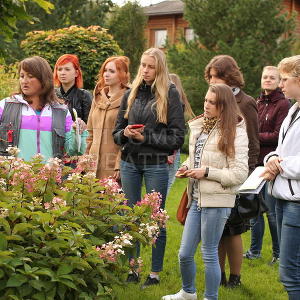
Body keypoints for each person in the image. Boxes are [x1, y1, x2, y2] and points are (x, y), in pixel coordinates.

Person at [162, 83, 249, 300]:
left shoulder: (236, 130)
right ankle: (188, 293)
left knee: (209, 253)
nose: (206, 105)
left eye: (212, 102)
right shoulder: (202, 126)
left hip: (218, 201)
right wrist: (187, 166)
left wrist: (207, 172)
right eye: (205, 100)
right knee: (184, 253)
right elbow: (198, 157)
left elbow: (239, 174)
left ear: (224, 105)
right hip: (197, 199)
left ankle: (211, 297)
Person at [113, 48, 185, 288]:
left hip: (155, 164)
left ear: (160, 68)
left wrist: (147, 137)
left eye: (150, 66)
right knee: (131, 218)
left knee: (155, 219)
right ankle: (133, 269)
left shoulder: (170, 94)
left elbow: (177, 139)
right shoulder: (131, 92)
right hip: (129, 162)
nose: (145, 70)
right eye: (143, 65)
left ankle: (154, 274)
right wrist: (125, 133)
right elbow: (116, 132)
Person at [204, 55, 260, 287]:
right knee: (218, 231)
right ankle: (220, 276)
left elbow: (254, 143)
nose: (211, 81)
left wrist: (246, 179)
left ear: (229, 76)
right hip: (216, 174)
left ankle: (235, 277)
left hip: (237, 176)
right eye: (209, 77)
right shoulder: (215, 99)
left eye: (216, 77)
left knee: (233, 230)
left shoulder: (245, 102)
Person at [262, 55, 300, 300]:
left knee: (289, 272)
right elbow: (281, 146)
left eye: (285, 79)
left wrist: (280, 165)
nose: (280, 84)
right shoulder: (293, 110)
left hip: (296, 202)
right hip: (283, 196)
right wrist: (271, 159)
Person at [244, 66, 289, 264]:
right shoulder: (258, 102)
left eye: (272, 78)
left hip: (270, 165)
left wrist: (253, 137)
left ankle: (278, 254)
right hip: (254, 163)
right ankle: (255, 251)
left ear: (279, 81)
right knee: (254, 211)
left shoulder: (283, 104)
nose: (268, 80)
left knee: (271, 212)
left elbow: (279, 136)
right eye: (265, 77)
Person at [0, 56, 86, 160]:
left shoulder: (61, 111)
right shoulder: (5, 106)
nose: (24, 81)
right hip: (14, 175)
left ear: (43, 79)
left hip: (49, 175)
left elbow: (73, 150)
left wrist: (77, 132)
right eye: (22, 76)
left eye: (30, 76)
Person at [85, 56, 130, 180]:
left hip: (113, 165)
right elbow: (89, 132)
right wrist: (85, 158)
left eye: (112, 71)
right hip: (92, 165)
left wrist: (119, 164)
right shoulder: (98, 97)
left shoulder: (129, 99)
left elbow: (127, 138)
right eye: (105, 70)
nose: (106, 74)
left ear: (122, 74)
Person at [167, 73, 195, 193]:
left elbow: (175, 132)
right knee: (164, 188)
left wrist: (171, 153)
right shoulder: (179, 105)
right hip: (172, 151)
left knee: (163, 188)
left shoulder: (174, 106)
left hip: (170, 152)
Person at [54, 54, 92, 125]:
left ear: (76, 73)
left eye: (67, 69)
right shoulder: (52, 94)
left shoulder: (84, 95)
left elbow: (89, 125)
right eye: (59, 69)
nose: (62, 73)